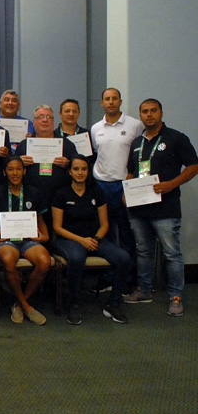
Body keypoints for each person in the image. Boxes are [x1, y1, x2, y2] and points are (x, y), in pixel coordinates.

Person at [122, 99, 198, 317]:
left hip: (166, 208)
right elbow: (130, 172)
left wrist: (171, 184)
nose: (149, 115)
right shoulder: (137, 142)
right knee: (143, 252)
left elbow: (194, 166)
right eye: (144, 112)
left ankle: (176, 296)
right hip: (139, 209)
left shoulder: (176, 138)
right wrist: (126, 193)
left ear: (161, 113)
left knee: (171, 254)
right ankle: (144, 289)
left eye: (153, 111)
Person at [51, 155, 130, 325]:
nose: (80, 173)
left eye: (84, 169)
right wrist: (81, 240)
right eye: (76, 169)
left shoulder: (97, 192)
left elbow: (105, 224)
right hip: (68, 239)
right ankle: (74, 303)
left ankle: (113, 303)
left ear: (88, 171)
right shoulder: (61, 194)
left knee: (123, 258)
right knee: (77, 258)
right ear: (70, 172)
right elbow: (57, 227)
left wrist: (95, 239)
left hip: (95, 239)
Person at [0, 156, 50, 325]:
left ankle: (20, 303)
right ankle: (27, 306)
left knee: (45, 261)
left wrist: (44, 236)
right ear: (4, 172)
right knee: (8, 260)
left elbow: (42, 221)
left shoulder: (34, 192)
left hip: (29, 240)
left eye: (18, 169)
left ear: (24, 171)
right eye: (10, 169)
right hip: (7, 241)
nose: (15, 173)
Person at [90, 88, 142, 273]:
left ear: (120, 101)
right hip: (101, 184)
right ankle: (109, 277)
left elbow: (139, 155)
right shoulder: (96, 128)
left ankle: (127, 278)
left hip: (124, 185)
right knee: (105, 232)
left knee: (128, 231)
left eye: (114, 99)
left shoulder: (135, 125)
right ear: (102, 103)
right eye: (107, 99)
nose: (110, 102)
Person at [14, 105, 78, 232]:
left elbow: (79, 169)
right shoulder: (24, 145)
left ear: (53, 122)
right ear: (34, 122)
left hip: (59, 198)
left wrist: (68, 164)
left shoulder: (67, 145)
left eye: (49, 117)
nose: (45, 120)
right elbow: (11, 171)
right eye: (41, 117)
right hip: (31, 198)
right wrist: (19, 163)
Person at [54, 99, 96, 166]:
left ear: (79, 113)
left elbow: (92, 159)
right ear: (60, 114)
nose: (71, 114)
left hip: (82, 175)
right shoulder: (53, 136)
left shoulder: (87, 134)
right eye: (67, 111)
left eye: (74, 111)